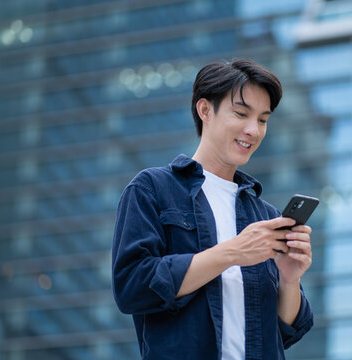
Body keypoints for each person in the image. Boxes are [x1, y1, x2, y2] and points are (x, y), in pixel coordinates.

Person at [111, 59, 314, 360]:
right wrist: (233, 252)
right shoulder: (152, 189)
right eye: (241, 114)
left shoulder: (267, 216)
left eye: (262, 120)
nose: (253, 130)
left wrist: (290, 278)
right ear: (205, 110)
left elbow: (286, 331)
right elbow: (132, 287)